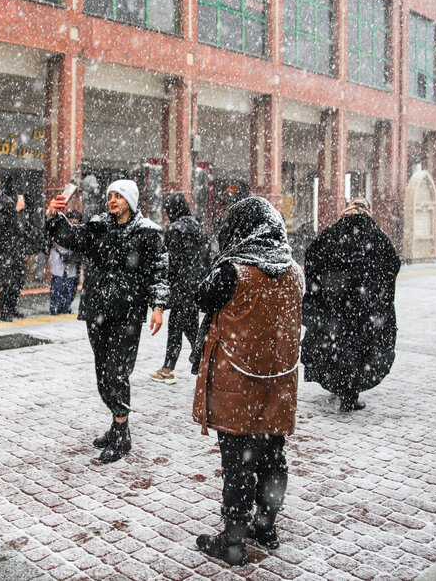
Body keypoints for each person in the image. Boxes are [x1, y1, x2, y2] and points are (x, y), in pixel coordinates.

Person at [191, 196, 304, 566]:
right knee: (273, 456)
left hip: (236, 383)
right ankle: (266, 525)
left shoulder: (233, 271)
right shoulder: (294, 272)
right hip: (278, 382)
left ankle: (234, 539)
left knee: (237, 460)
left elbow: (200, 297)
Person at [46, 179, 168, 464]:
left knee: (117, 372)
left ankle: (122, 434)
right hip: (97, 310)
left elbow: (159, 271)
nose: (112, 200)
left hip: (127, 313)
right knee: (103, 373)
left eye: (119, 196)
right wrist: (52, 214)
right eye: (110, 195)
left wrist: (158, 306)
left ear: (131, 201)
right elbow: (69, 236)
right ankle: (116, 425)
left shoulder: (147, 233)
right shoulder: (98, 226)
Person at [300, 197, 401, 412]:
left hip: (334, 308)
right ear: (367, 211)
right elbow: (393, 264)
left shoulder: (331, 233)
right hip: (364, 310)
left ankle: (338, 383)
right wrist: (373, 291)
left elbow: (312, 257)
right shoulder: (376, 236)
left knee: (336, 347)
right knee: (359, 349)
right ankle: (350, 393)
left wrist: (324, 288)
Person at [151, 193, 209, 385]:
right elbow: (205, 258)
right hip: (195, 286)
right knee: (185, 326)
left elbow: (171, 262)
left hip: (181, 287)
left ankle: (203, 368)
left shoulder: (175, 229)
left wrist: (167, 284)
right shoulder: (199, 227)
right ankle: (174, 367)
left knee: (184, 328)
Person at [0, 192, 32, 322]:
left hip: (16, 254)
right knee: (6, 284)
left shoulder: (17, 216)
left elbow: (24, 231)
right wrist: (15, 211)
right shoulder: (3, 217)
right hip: (5, 256)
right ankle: (5, 312)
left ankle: (12, 308)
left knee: (18, 282)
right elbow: (7, 227)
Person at [48, 210, 82, 314]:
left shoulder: (80, 232)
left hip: (71, 262)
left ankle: (66, 307)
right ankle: (55, 307)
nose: (73, 224)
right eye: (71, 221)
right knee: (57, 284)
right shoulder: (59, 228)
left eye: (75, 222)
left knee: (70, 285)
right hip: (58, 258)